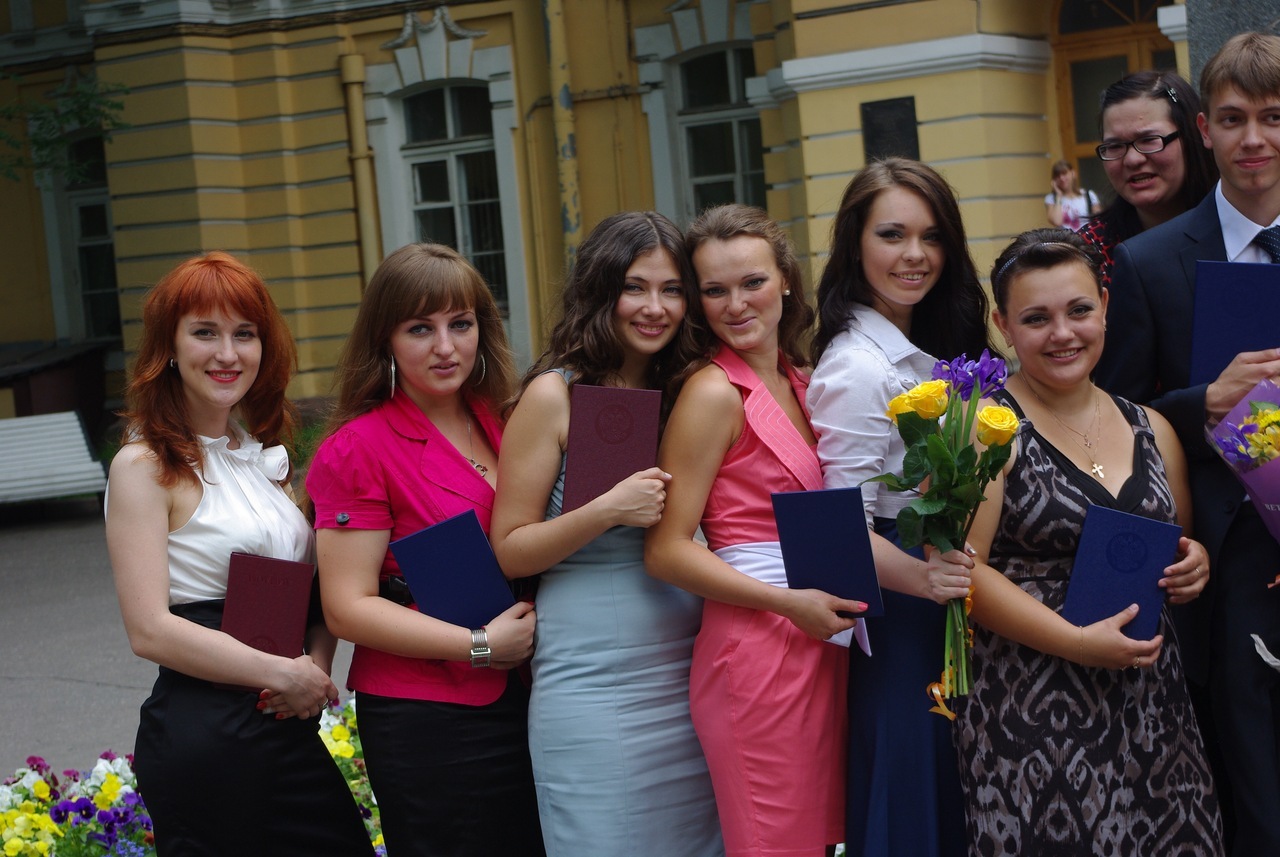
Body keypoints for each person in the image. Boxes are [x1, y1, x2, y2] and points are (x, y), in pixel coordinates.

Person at [955, 228, 1222, 856]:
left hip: (1152, 706)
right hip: (1032, 709)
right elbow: (962, 573)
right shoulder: (984, 427)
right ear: (1003, 325)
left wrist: (1194, 564)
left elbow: (1176, 543)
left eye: (1078, 310)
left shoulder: (1152, 426)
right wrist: (1077, 643)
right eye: (1036, 318)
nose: (1063, 333)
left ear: (1104, 305)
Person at [105, 252, 375, 855]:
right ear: (169, 347)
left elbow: (311, 594)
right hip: (207, 732)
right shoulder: (142, 465)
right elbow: (149, 629)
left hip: (285, 720)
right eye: (205, 332)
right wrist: (283, 673)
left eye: (244, 334)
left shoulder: (261, 460)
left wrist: (313, 671)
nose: (227, 353)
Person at [1094, 32, 1280, 856]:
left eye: (1273, 117)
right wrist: (1204, 401)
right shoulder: (1148, 262)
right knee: (1258, 798)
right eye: (1233, 119)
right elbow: (1117, 416)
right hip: (1229, 566)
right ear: (1205, 130)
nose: (1254, 139)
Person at [489, 211, 723, 856]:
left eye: (672, 290)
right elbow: (509, 547)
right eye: (634, 288)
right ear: (601, 290)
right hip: (592, 677)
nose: (655, 308)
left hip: (688, 663)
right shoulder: (554, 395)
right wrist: (606, 510)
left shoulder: (692, 390)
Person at [305, 243, 544, 857]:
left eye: (460, 324)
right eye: (420, 328)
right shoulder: (357, 448)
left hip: (530, 692)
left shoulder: (507, 421)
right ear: (384, 339)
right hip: (430, 716)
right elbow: (346, 607)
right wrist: (481, 646)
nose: (445, 346)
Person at [644, 204, 864, 857]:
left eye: (752, 282)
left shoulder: (803, 379)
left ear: (786, 280)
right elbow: (665, 550)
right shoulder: (713, 392)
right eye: (714, 290)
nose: (736, 304)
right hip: (759, 645)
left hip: (824, 638)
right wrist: (786, 602)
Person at [806, 157, 991, 857]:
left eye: (932, 236)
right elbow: (841, 531)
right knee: (912, 797)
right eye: (892, 235)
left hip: (951, 596)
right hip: (906, 609)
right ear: (855, 243)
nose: (916, 255)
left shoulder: (931, 345)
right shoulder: (857, 367)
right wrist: (926, 578)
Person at [1079, 69, 1218, 284]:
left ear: (1194, 135)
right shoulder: (1089, 253)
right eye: (1115, 146)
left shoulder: (1239, 229)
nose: (1132, 160)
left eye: (1149, 140)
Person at [1045, 159, 1100, 231]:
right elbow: (1057, 222)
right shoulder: (1051, 198)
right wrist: (1058, 196)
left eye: (1064, 173)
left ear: (1073, 173)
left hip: (1086, 236)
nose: (1061, 178)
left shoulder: (1088, 195)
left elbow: (1098, 221)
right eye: (1057, 176)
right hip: (1065, 237)